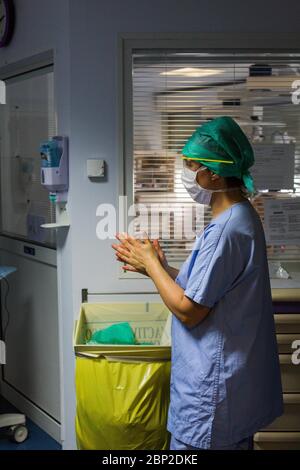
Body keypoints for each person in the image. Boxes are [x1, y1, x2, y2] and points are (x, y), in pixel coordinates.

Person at [112, 116, 283, 450]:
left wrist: (151, 264)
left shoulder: (226, 230)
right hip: (230, 387)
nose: (187, 173)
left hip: (213, 394)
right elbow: (206, 285)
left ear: (213, 172)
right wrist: (158, 269)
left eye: (192, 165)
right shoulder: (239, 216)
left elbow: (189, 310)